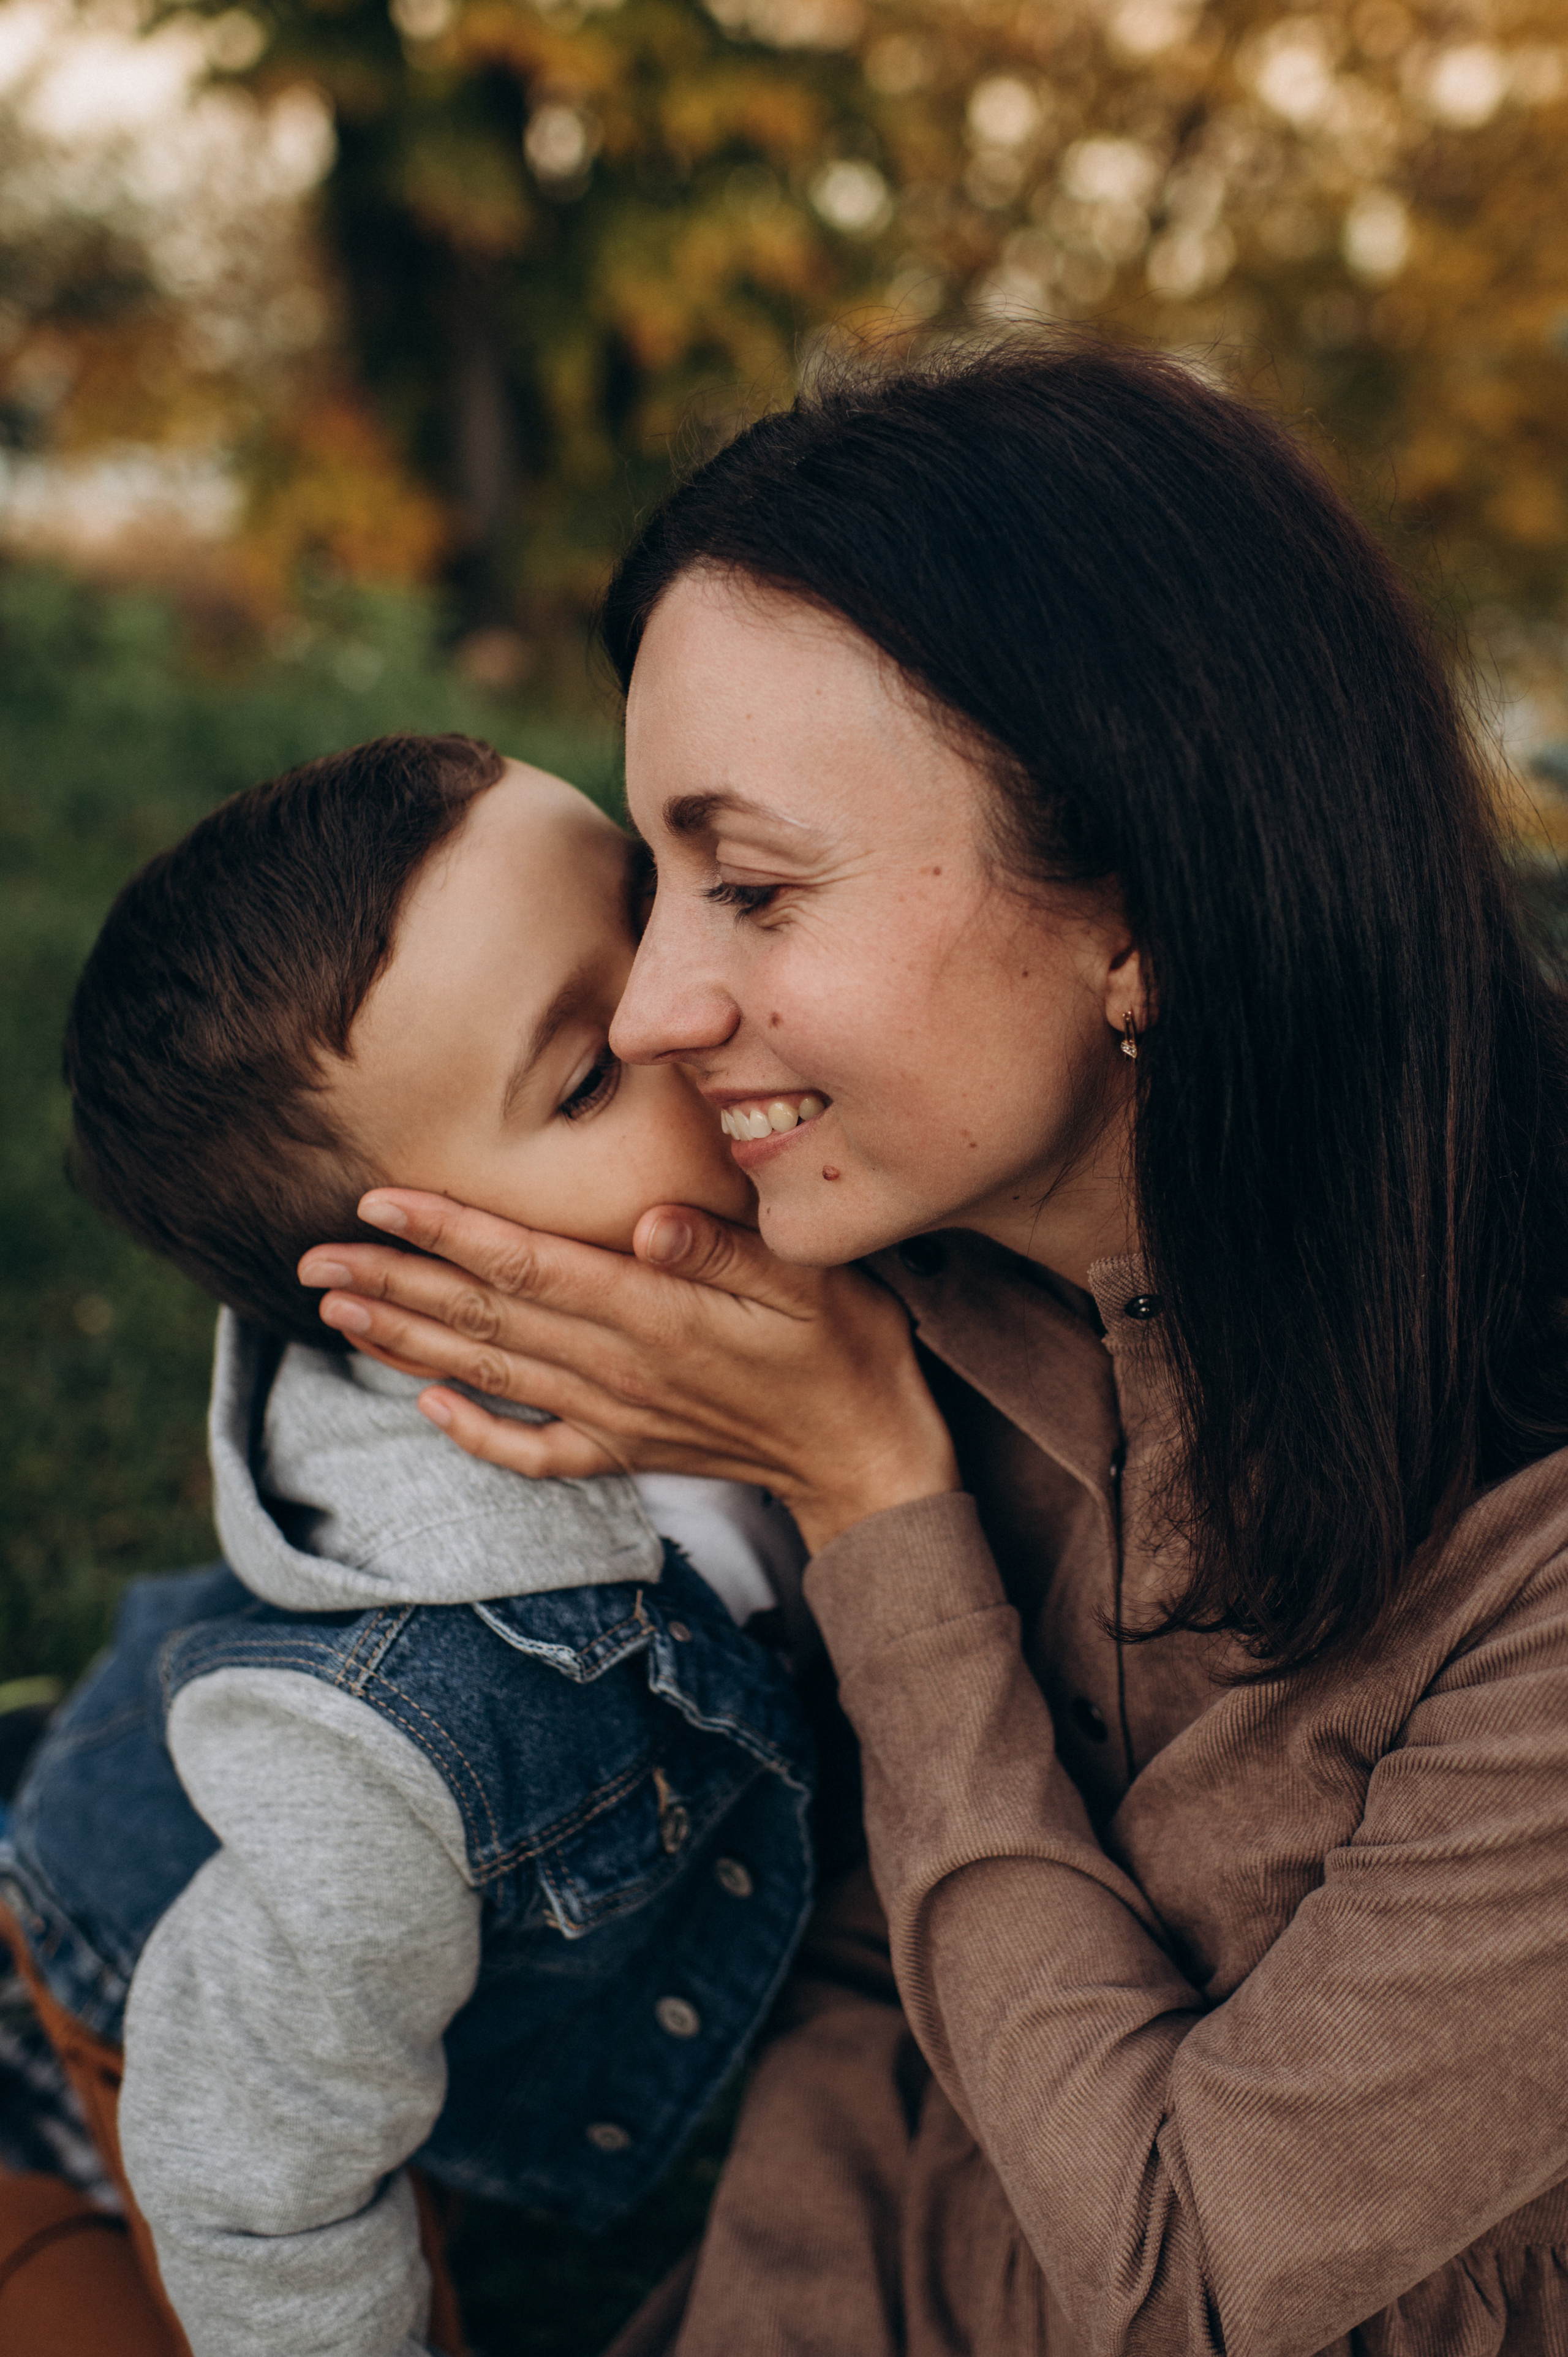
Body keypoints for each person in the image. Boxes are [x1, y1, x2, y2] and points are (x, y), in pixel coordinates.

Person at [298, 340, 1568, 2356]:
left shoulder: (1529, 1531)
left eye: (755, 887)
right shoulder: (876, 1259)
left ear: (1140, 910)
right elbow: (862, 1979)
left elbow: (1193, 2281)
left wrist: (876, 1507)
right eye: (658, 886)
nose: (651, 1010)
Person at [0, 734, 814, 2357]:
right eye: (586, 1077)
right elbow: (253, 2172)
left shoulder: (805, 1245)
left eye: (655, 915)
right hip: (138, 1998)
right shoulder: (403, 1739)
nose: (684, 1013)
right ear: (430, 1307)